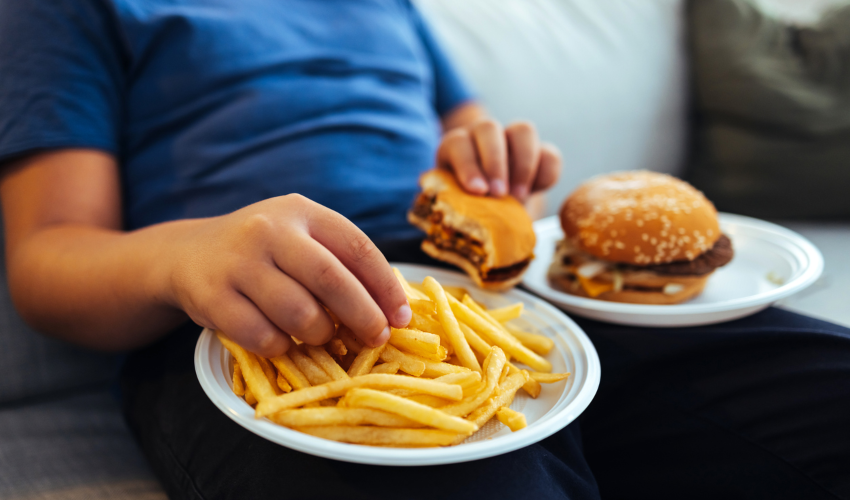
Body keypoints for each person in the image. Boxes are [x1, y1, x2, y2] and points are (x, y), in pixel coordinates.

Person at [1, 1, 848, 499]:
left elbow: (470, 141)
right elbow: (47, 256)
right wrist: (185, 257)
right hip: (247, 324)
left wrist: (497, 169)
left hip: (485, 302)